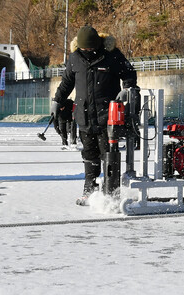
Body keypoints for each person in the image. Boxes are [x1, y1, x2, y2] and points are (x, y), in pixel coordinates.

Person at [52, 25, 138, 205]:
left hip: (107, 117)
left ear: (97, 44)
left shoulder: (112, 55)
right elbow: (67, 82)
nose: (88, 51)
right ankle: (89, 190)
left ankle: (111, 192)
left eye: (91, 48)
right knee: (89, 154)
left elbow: (129, 74)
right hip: (84, 116)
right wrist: (57, 100)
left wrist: (127, 90)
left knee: (109, 154)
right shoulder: (75, 58)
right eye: (84, 48)